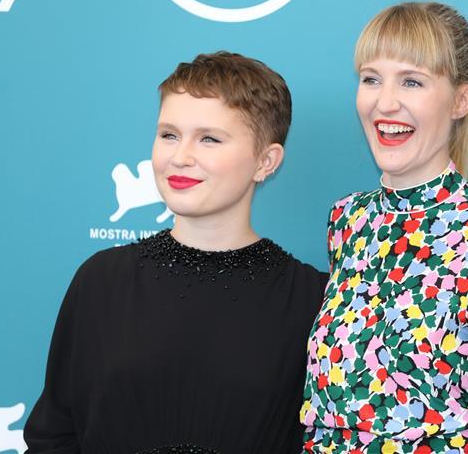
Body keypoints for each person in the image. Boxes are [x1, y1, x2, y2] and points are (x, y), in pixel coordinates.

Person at [25, 52, 328, 453]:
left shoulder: (313, 300)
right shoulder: (102, 280)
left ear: (265, 161)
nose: (180, 156)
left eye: (209, 138)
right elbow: (54, 436)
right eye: (169, 134)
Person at [300, 2, 468, 452]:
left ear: (460, 101)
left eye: (411, 81)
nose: (385, 102)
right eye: (371, 79)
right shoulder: (348, 221)